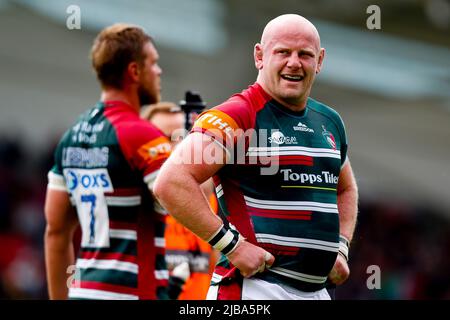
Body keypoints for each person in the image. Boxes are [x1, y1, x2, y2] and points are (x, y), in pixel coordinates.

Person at [153, 14, 358, 300]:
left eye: (305, 54)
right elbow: (171, 182)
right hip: (254, 289)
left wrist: (341, 246)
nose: (294, 63)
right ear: (259, 56)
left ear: (320, 61)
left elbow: (346, 188)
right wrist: (233, 247)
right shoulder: (235, 116)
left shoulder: (329, 121)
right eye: (283, 52)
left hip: (318, 292)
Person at [44, 23, 172, 300]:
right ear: (134, 71)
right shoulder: (141, 135)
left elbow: (55, 231)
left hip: (84, 292)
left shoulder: (71, 136)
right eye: (154, 63)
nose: (159, 71)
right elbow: (183, 197)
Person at [141, 102, 219, 300]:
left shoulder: (206, 196)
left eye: (182, 138)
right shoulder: (137, 199)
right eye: (165, 138)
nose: (176, 147)